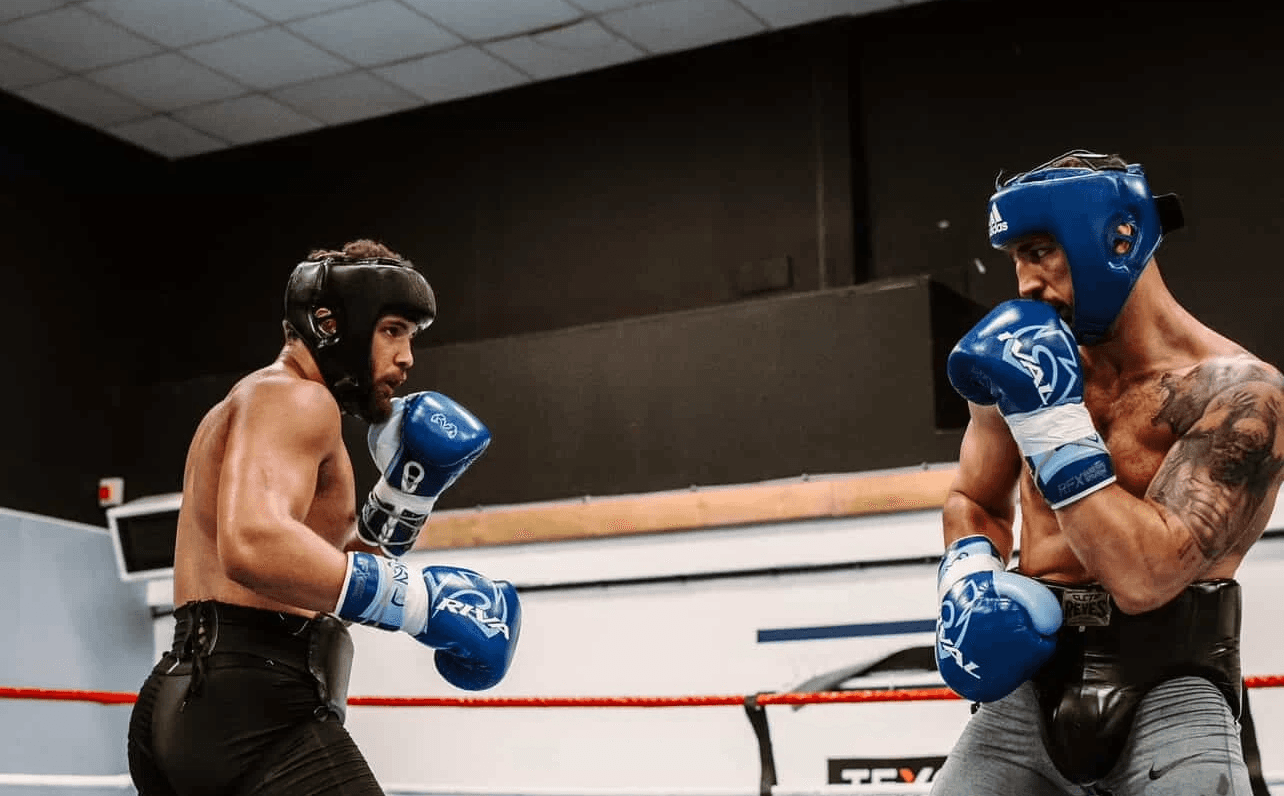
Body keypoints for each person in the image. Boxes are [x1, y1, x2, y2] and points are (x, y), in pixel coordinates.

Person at [931, 151, 1284, 795]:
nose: (1026, 283)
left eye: (1041, 251)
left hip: (1171, 687)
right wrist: (969, 578)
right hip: (1027, 690)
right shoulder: (1017, 361)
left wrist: (1053, 421)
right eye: (1016, 258)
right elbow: (973, 499)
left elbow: (1145, 577)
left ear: (1118, 237)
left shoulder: (1239, 395)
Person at [126, 240, 521, 795]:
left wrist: (407, 495)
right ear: (334, 324)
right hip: (253, 708)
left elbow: (307, 580)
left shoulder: (249, 403)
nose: (407, 357)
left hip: (194, 698)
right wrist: (421, 604)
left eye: (411, 337)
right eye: (392, 331)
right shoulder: (295, 400)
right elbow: (253, 545)